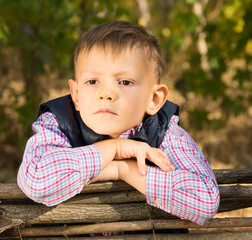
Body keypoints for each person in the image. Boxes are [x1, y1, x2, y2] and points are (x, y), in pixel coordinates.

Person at [17, 21, 220, 225]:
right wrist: (115, 148)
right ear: (76, 94)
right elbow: (37, 180)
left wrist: (123, 169)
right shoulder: (58, 122)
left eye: (125, 82)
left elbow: (205, 201)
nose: (106, 94)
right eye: (93, 81)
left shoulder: (166, 132)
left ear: (154, 99)